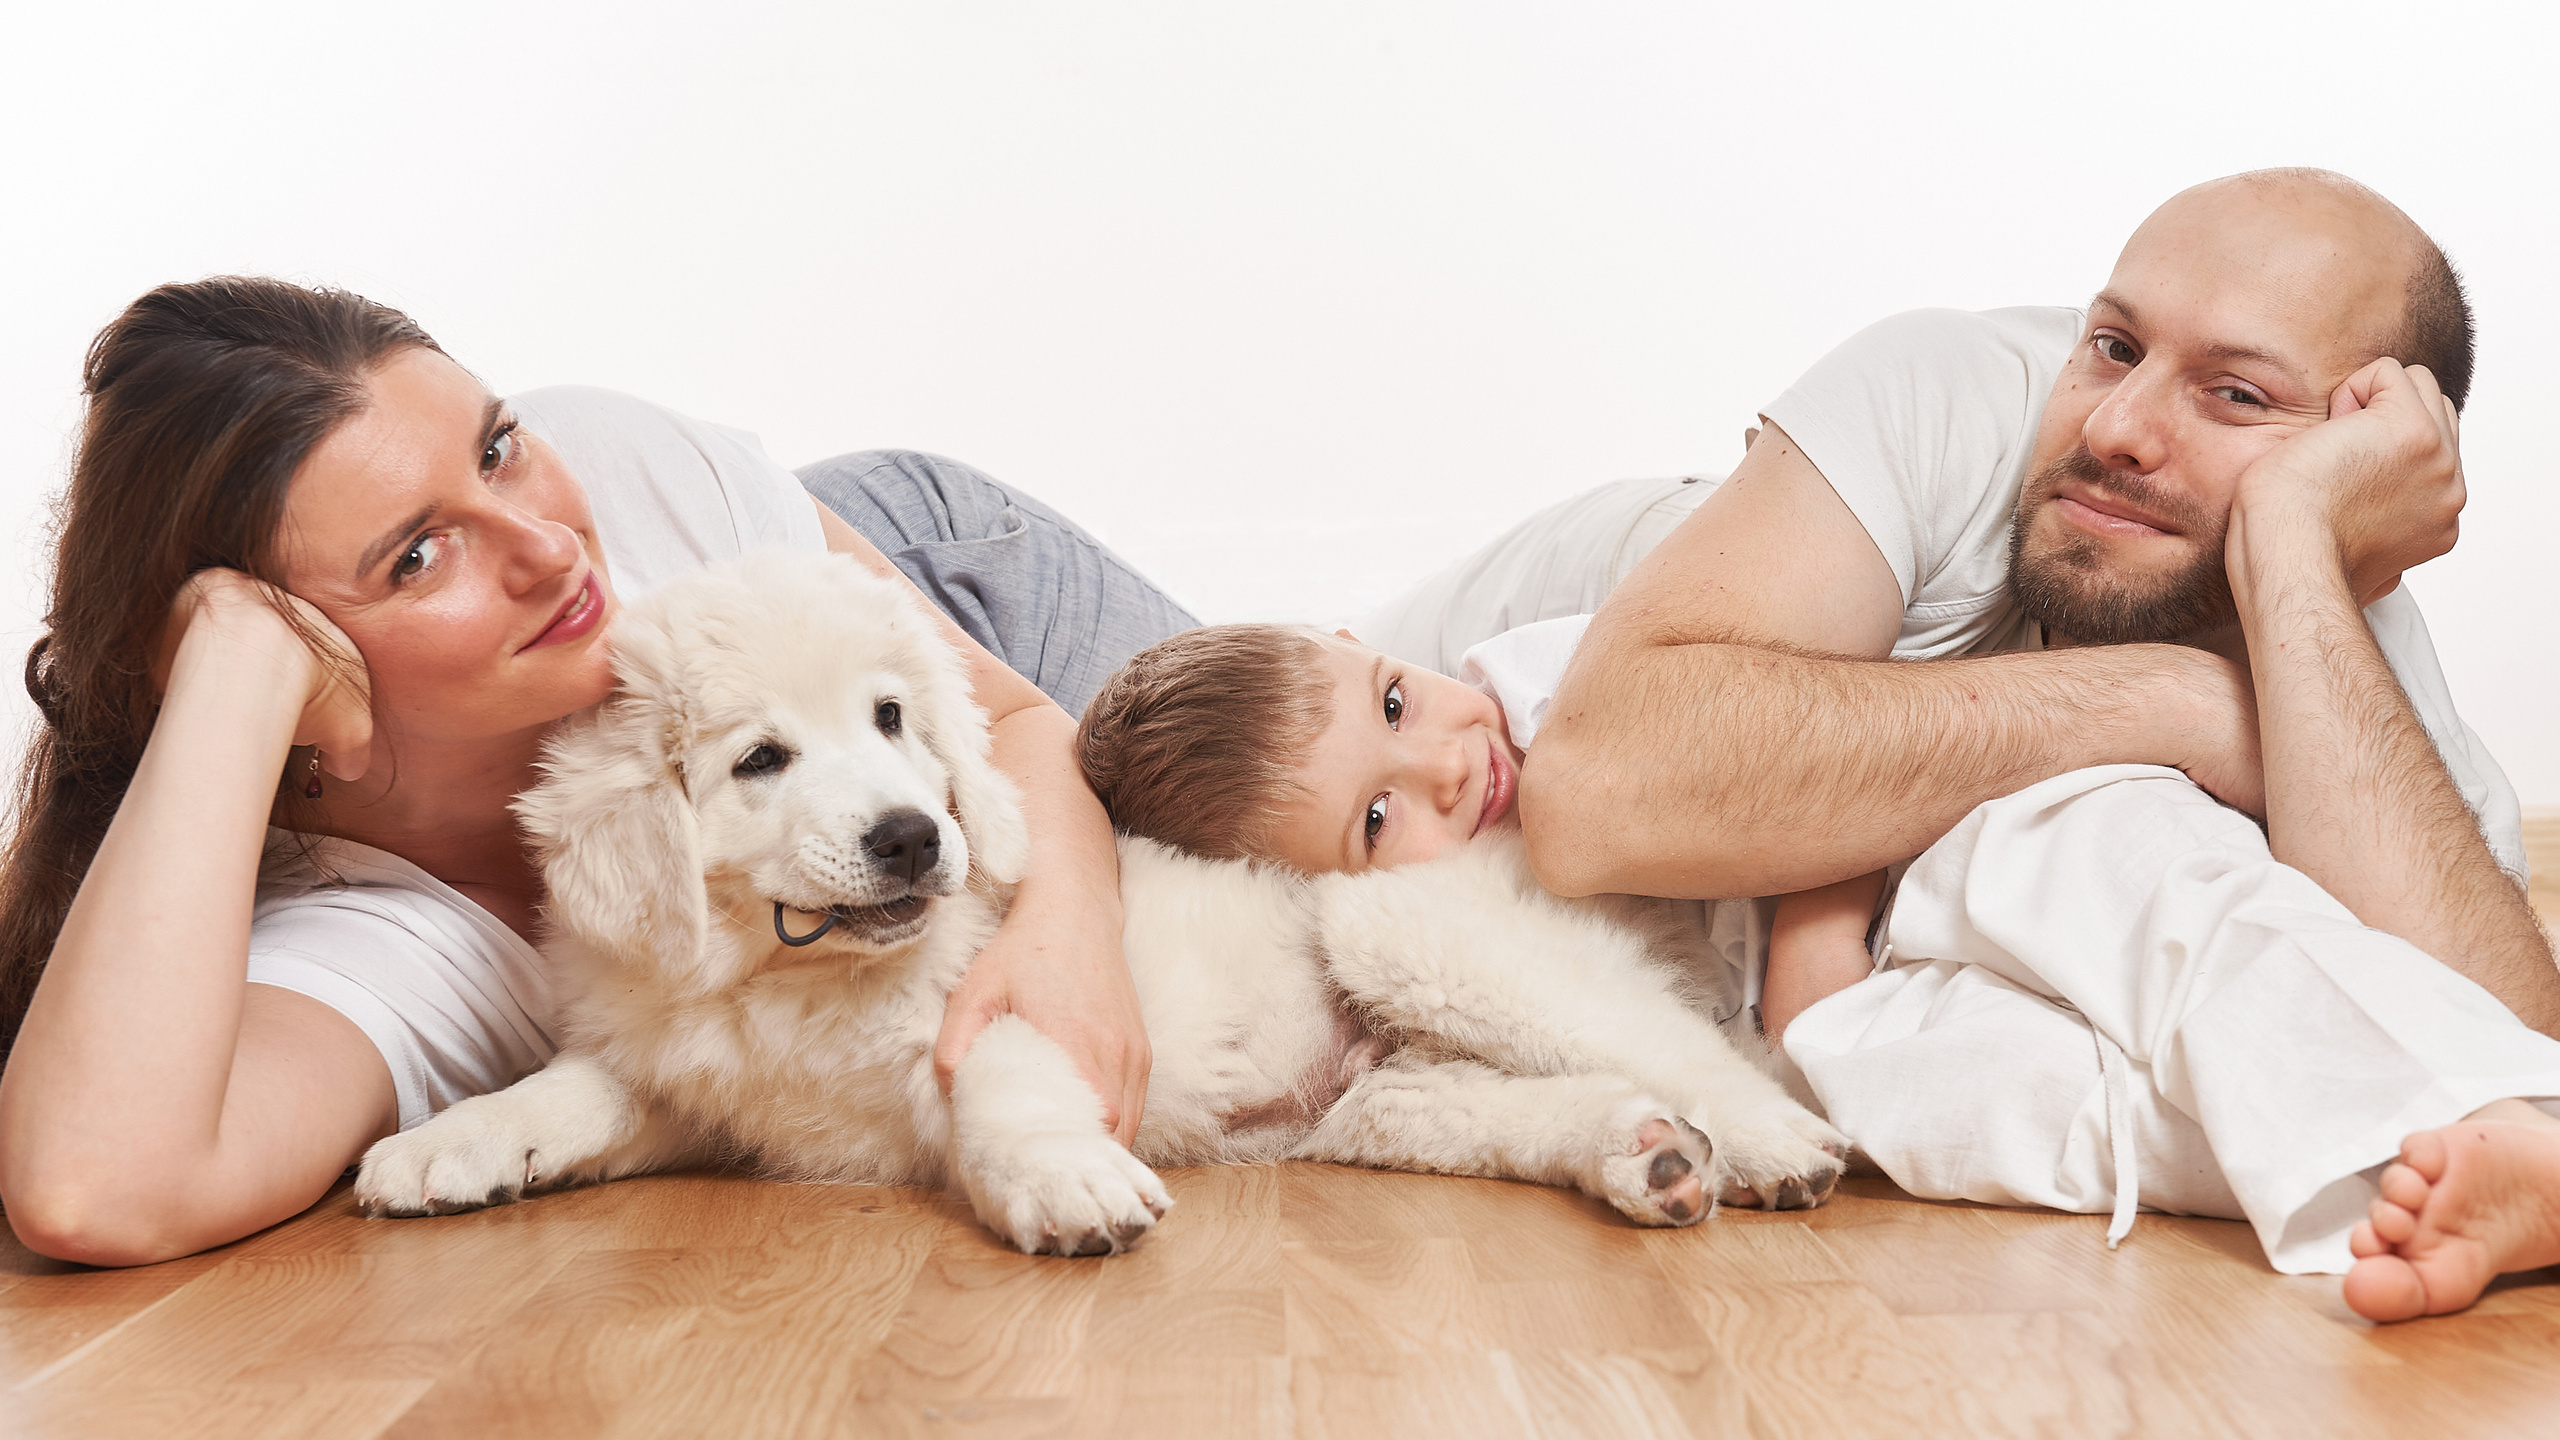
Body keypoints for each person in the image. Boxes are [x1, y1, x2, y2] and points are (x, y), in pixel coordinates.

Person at [1349, 169, 2560, 1322]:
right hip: (1326, 739)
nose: (2121, 426)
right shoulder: (1943, 393)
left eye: (2236, 395)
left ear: (2371, 456)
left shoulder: (2367, 678)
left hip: (1741, 954)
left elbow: (2495, 1046)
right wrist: (2178, 700)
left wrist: (2291, 539)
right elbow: (1595, 798)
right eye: (2113, 346)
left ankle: (2373, 1164)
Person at [0, 277, 1197, 1266]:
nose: (549, 545)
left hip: (946, 582)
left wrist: (1065, 928)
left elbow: (1022, 723)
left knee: (1326, 769)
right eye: (418, 556)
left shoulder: (623, 481)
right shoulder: (382, 935)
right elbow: (95, 1190)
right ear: (305, 678)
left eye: (499, 448)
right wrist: (230, 666)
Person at [1073, 619, 1886, 1057]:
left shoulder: (1567, 690)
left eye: (1395, 704)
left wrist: (1816, 932)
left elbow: (1833, 722)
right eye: (1377, 819)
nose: (1445, 768)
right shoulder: (1479, 945)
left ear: (1358, 641)